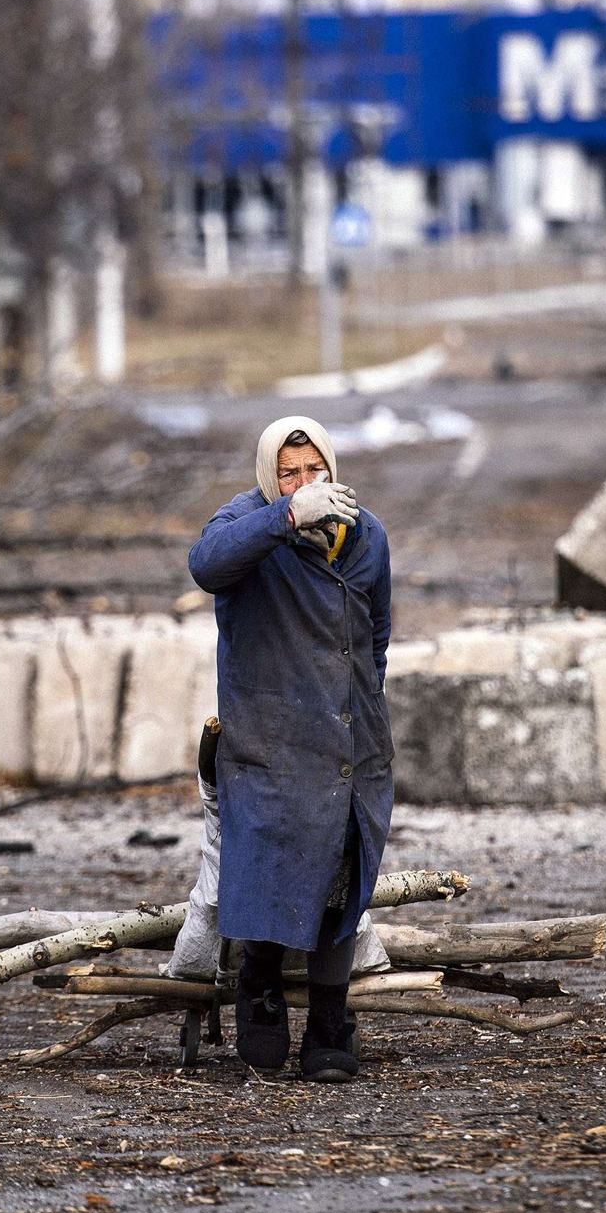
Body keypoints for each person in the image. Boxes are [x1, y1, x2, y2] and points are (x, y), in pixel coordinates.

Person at [186, 415, 393, 1082]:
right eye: (289, 472)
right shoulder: (245, 526)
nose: (305, 484)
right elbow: (205, 566)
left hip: (347, 739)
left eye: (314, 472)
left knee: (339, 879)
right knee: (268, 866)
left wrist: (355, 711)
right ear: (270, 476)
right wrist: (285, 516)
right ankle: (261, 986)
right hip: (269, 741)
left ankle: (332, 1020)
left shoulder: (366, 536)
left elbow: (376, 637)